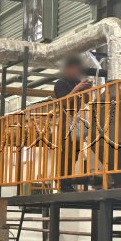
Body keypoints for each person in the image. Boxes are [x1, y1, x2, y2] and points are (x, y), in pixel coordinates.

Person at [54, 55, 92, 192]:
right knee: (66, 153)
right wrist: (77, 88)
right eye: (75, 70)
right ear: (68, 69)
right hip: (66, 122)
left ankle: (68, 182)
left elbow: (86, 100)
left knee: (75, 152)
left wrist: (86, 90)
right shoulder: (60, 84)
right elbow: (63, 102)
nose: (77, 72)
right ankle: (63, 183)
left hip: (77, 120)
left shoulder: (77, 82)